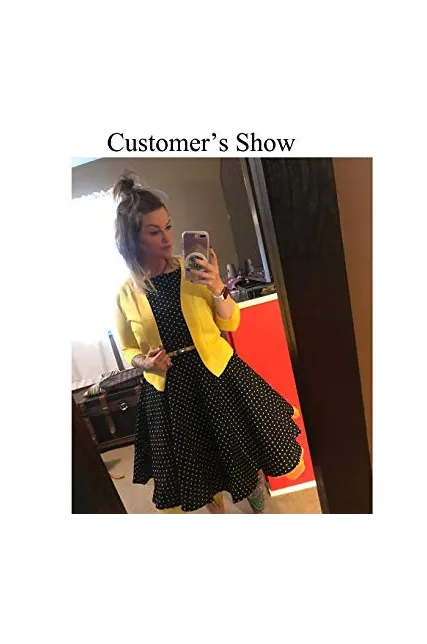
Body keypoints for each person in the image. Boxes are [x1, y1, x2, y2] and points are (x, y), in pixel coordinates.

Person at [114, 172, 305, 514]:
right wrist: (146, 362)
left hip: (216, 373)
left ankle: (257, 499)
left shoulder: (193, 272)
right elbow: (128, 349)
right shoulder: (126, 294)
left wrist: (218, 287)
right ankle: (216, 509)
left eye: (168, 227)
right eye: (154, 232)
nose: (167, 238)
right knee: (197, 460)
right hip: (171, 388)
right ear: (133, 239)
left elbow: (230, 321)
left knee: (240, 445)